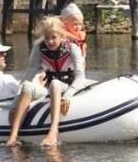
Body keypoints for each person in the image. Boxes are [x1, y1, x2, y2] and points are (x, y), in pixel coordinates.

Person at [5, 16, 86, 148]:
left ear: (61, 36)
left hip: (68, 86)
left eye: (54, 37)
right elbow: (29, 75)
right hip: (50, 88)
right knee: (28, 85)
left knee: (55, 83)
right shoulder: (39, 49)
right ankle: (13, 136)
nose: (50, 41)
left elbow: (80, 76)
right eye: (47, 37)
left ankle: (53, 131)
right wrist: (15, 102)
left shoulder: (72, 48)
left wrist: (68, 95)